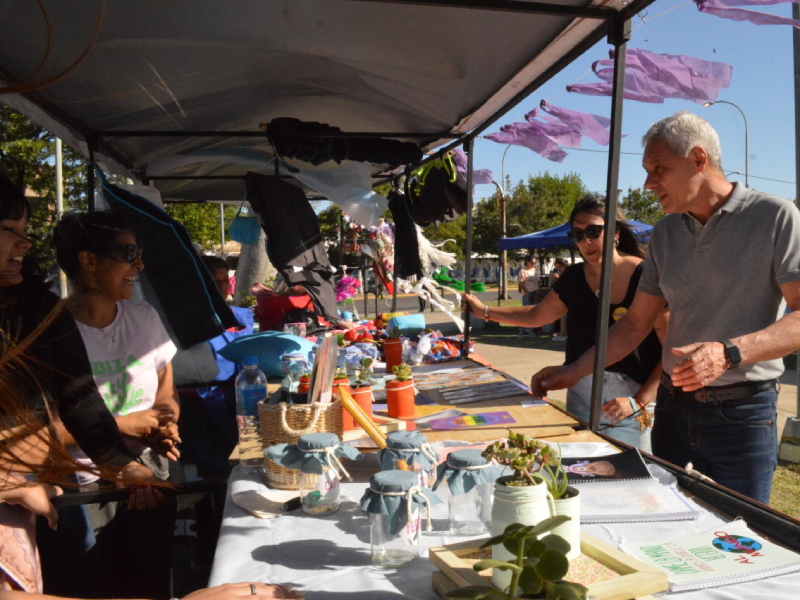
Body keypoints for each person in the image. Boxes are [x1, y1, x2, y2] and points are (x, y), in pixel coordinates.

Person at [531, 111, 800, 505]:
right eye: (646, 171)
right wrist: (572, 372)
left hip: (742, 416)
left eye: (658, 168)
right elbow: (635, 324)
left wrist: (727, 353)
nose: (648, 183)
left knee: (741, 528)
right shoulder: (666, 232)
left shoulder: (775, 216)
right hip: (673, 412)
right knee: (664, 518)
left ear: (698, 158)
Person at [44, 211, 181, 599]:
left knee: (150, 583)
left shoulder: (144, 317)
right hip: (83, 489)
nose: (140, 264)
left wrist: (165, 422)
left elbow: (167, 392)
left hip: (148, 474)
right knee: (92, 588)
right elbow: (37, 433)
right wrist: (126, 424)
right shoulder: (50, 331)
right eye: (128, 253)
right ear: (88, 261)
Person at [462, 195, 667, 452]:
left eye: (593, 231)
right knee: (580, 466)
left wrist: (640, 401)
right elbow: (538, 315)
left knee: (633, 470)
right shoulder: (574, 277)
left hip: (631, 402)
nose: (585, 241)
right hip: (580, 393)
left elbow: (671, 349)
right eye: (577, 235)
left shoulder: (645, 276)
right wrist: (484, 311)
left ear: (616, 232)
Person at [517, 256, 538, 339]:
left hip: (534, 292)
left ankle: (531, 331)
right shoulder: (522, 271)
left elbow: (537, 281)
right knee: (525, 312)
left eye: (535, 262)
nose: (533, 264)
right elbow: (522, 284)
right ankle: (521, 331)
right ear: (527, 262)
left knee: (533, 313)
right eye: (532, 262)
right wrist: (527, 293)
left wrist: (538, 290)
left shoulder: (534, 270)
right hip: (527, 294)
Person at [550, 258, 569, 341]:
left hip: (566, 297)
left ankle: (563, 334)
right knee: (563, 316)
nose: (557, 268)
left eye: (559, 267)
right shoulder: (560, 272)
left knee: (564, 316)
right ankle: (562, 333)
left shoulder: (566, 271)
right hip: (562, 296)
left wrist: (558, 279)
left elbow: (565, 283)